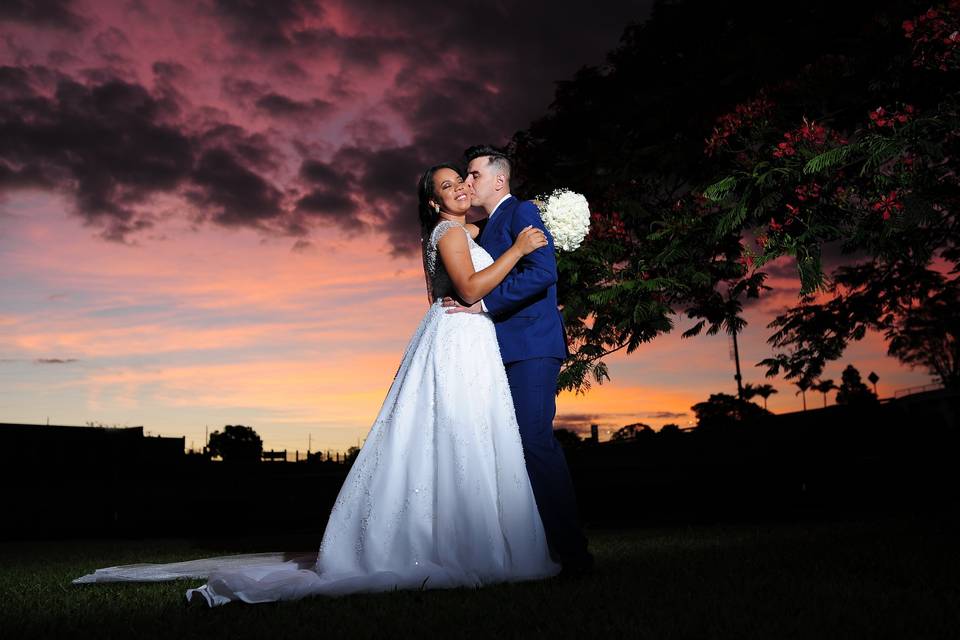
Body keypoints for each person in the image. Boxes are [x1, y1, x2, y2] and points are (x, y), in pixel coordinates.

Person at [72, 164, 562, 606]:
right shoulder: (450, 235)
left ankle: (453, 534)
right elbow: (473, 288)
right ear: (434, 202)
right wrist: (521, 246)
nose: (461, 188)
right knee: (461, 432)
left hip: (459, 340)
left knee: (458, 434)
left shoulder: (457, 230)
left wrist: (538, 220)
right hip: (460, 337)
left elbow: (492, 225)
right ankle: (462, 543)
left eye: (463, 180)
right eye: (449, 185)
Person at [443, 145, 593, 576]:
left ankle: (574, 553)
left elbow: (543, 273)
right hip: (493, 351)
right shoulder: (483, 226)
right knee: (504, 449)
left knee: (533, 442)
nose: (467, 183)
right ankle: (526, 550)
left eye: (472, 175)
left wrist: (484, 305)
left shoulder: (523, 211)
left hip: (530, 344)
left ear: (498, 180)